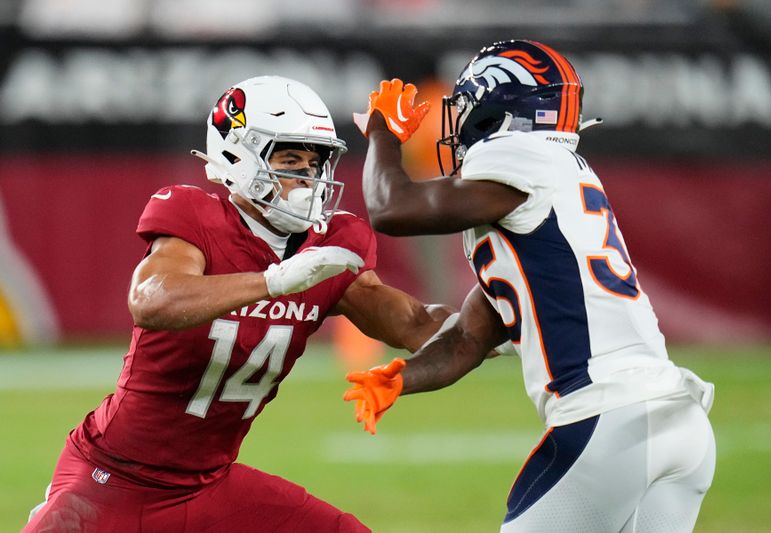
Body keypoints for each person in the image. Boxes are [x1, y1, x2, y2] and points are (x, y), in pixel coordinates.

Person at [24, 75, 453, 533]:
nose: (306, 179)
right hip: (115, 480)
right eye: (289, 160)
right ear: (238, 156)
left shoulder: (330, 247)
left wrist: (509, 317)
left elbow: (415, 323)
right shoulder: (196, 217)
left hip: (209, 485)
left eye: (314, 164)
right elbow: (150, 300)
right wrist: (273, 281)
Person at [344, 40, 717, 532]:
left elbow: (392, 209)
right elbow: (469, 338)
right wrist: (401, 378)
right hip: (680, 424)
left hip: (605, 417)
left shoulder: (519, 156)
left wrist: (382, 134)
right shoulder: (551, 185)